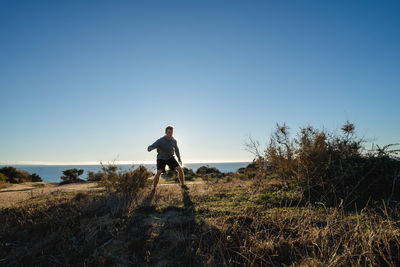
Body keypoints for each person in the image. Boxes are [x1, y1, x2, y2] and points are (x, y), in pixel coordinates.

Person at [147, 125, 189, 191]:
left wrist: (179, 158)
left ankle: (183, 185)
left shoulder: (174, 141)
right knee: (159, 172)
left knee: (180, 169)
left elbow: (176, 150)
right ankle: (154, 188)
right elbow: (149, 147)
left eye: (171, 132)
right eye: (168, 132)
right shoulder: (160, 141)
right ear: (165, 132)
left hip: (170, 157)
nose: (170, 134)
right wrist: (150, 148)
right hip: (161, 158)